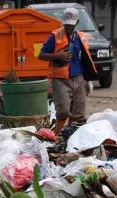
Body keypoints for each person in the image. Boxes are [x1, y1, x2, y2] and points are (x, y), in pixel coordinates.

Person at [38, 7, 98, 135]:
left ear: (77, 23)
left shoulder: (82, 37)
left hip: (78, 78)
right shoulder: (55, 36)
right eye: (66, 25)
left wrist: (88, 80)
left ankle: (70, 135)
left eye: (71, 25)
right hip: (61, 79)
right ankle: (57, 134)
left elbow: (85, 59)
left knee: (79, 112)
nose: (68, 27)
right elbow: (41, 55)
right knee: (64, 111)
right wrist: (57, 56)